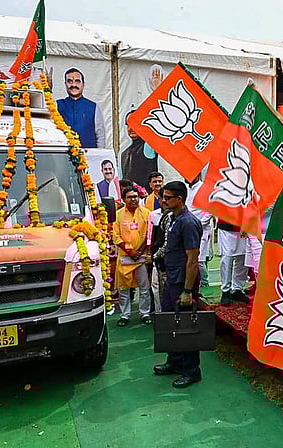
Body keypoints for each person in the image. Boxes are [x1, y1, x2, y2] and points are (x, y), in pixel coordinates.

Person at [153, 181, 203, 389]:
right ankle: (174, 361)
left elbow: (192, 260)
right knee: (170, 322)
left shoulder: (188, 223)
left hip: (183, 282)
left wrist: (187, 291)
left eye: (167, 198)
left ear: (179, 199)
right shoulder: (172, 219)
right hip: (172, 279)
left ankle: (191, 370)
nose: (163, 201)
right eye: (163, 197)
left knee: (186, 327)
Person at [113, 186, 152, 326]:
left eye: (135, 196)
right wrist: (130, 251)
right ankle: (125, 315)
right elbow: (115, 236)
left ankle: (145, 313)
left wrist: (139, 251)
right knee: (123, 289)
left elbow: (149, 234)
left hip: (141, 257)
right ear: (124, 199)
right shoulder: (118, 215)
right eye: (130, 197)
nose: (133, 199)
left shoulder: (147, 213)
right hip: (125, 257)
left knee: (144, 287)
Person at [56, 68, 105, 148]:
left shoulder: (93, 107)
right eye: (69, 81)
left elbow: (100, 136)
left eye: (77, 81)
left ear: (83, 84)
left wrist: (100, 153)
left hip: (89, 154)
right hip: (63, 153)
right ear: (65, 84)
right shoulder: (57, 105)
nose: (73, 85)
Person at [186, 174, 214, 290]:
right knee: (189, 258)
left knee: (199, 260)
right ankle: (193, 284)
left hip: (201, 228)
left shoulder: (204, 188)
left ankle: (204, 283)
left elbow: (209, 210)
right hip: (186, 227)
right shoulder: (185, 188)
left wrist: (199, 224)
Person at [120, 109, 158, 192]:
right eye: (128, 125)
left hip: (148, 197)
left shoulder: (149, 146)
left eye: (134, 124)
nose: (130, 128)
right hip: (129, 197)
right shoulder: (123, 154)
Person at [218, 221, 249, 306]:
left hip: (244, 225)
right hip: (226, 227)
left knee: (243, 257)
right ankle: (225, 290)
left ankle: (237, 289)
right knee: (227, 259)